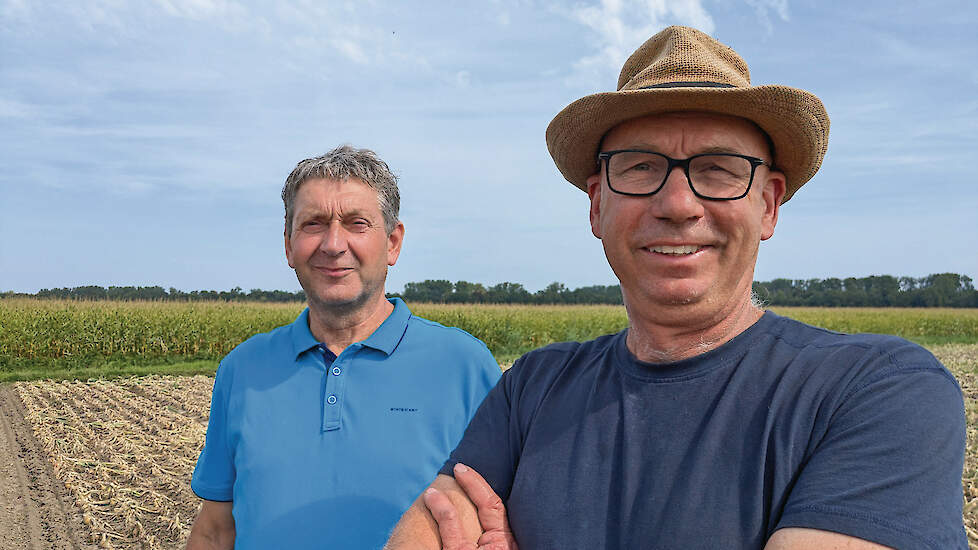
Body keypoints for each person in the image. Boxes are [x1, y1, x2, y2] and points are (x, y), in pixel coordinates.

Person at [385, 26, 967, 550]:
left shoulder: (876, 390)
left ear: (767, 205)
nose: (677, 204)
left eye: (719, 168)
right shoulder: (532, 389)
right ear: (596, 205)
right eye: (639, 167)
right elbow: (423, 531)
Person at [185, 145, 501, 549]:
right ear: (288, 245)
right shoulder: (243, 369)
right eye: (313, 224)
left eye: (356, 223)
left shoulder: (465, 365)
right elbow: (215, 529)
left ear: (393, 243)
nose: (333, 244)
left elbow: (499, 517)